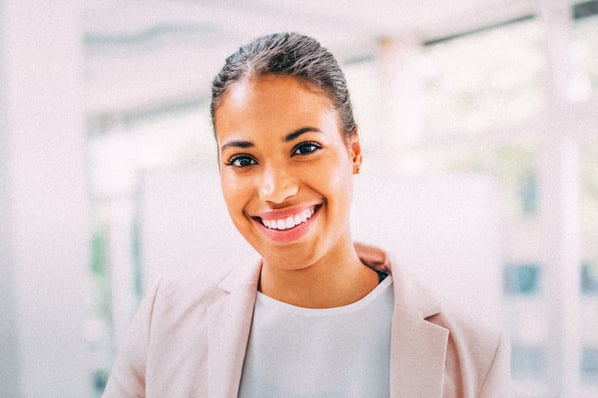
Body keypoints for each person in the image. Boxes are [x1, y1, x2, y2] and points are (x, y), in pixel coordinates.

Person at [103, 32, 510, 397]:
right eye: (243, 160)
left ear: (354, 152)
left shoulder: (472, 352)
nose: (275, 190)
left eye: (304, 148)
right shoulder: (166, 319)